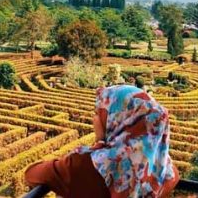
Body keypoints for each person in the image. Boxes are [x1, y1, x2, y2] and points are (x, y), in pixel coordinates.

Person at [25, 85, 179, 198]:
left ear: (115, 119)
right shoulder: (166, 169)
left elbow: (32, 174)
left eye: (98, 113)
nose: (94, 118)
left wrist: (98, 145)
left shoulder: (89, 164)